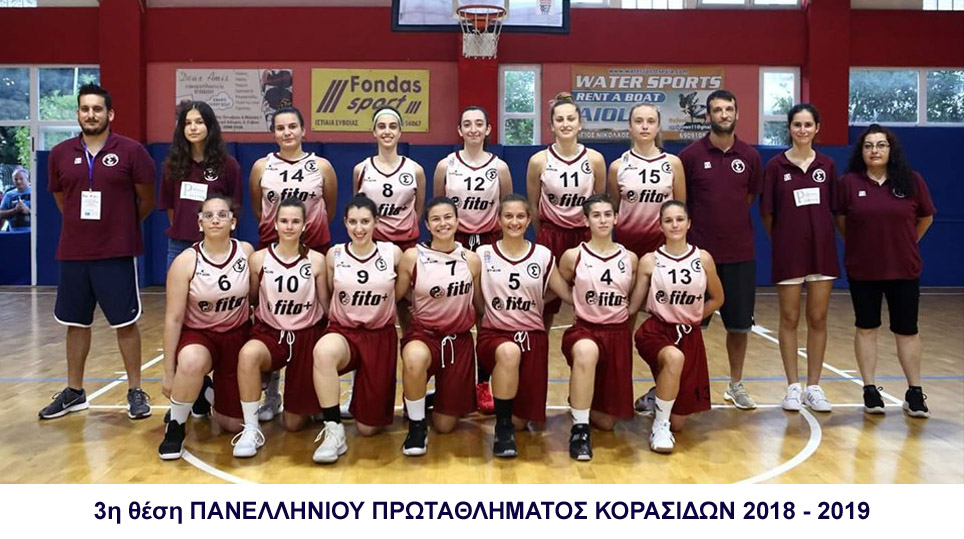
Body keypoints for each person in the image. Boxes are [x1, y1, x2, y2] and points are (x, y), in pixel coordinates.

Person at [40, 83, 155, 420]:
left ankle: (135, 390)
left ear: (110, 114)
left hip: (116, 252)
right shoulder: (61, 153)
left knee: (126, 323)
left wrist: (120, 225)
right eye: (85, 109)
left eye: (97, 109)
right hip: (74, 253)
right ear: (78, 113)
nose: (91, 114)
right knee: (75, 323)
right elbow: (62, 199)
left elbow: (146, 199)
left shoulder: (132, 151)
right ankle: (74, 392)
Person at [836, 124, 935, 418]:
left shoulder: (912, 181)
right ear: (861, 151)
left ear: (891, 149)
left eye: (881, 145)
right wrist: (860, 245)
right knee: (866, 328)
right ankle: (870, 390)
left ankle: (914, 392)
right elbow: (841, 221)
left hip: (903, 268)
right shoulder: (848, 183)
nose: (875, 150)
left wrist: (907, 242)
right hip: (863, 270)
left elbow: (926, 217)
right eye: (868, 146)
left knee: (907, 330)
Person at [249, 106, 337, 421]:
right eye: (280, 128)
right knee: (272, 319)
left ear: (303, 130)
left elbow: (330, 206)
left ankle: (313, 396)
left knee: (315, 322)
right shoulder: (262, 166)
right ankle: (271, 395)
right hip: (274, 247)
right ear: (274, 133)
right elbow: (258, 209)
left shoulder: (321, 166)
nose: (287, 132)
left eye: (292, 127)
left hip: (314, 246)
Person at [678, 89, 762, 410]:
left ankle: (735, 384)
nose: (723, 114)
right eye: (717, 110)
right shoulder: (690, 156)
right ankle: (684, 384)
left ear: (737, 113)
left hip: (740, 255)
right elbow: (684, 202)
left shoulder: (750, 156)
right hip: (698, 257)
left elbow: (748, 198)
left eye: (729, 109)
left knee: (739, 327)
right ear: (707, 115)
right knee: (690, 326)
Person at [475, 194, 571, 458]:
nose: (514, 222)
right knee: (509, 352)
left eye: (520, 216)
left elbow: (565, 293)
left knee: (523, 422)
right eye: (508, 216)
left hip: (532, 338)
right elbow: (477, 301)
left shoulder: (542, 255)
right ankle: (502, 428)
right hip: (496, 336)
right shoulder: (482, 255)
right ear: (498, 220)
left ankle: (510, 420)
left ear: (529, 220)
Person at [232, 198, 329, 458]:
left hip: (306, 336)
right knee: (248, 355)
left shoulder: (317, 260)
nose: (289, 226)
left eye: (295, 221)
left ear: (305, 226)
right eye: (284, 221)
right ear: (274, 224)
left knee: (294, 424)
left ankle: (309, 403)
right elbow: (253, 299)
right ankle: (251, 428)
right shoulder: (258, 259)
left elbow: (326, 307)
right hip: (270, 333)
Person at [158, 196, 254, 459]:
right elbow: (173, 319)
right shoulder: (186, 261)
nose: (215, 220)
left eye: (222, 215)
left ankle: (203, 391)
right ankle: (175, 426)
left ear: (233, 222)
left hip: (237, 336)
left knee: (232, 425)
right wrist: (169, 372)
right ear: (199, 223)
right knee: (191, 360)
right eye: (208, 215)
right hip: (200, 336)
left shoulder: (246, 252)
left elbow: (255, 300)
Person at [310, 195, 403, 464]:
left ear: (376, 222)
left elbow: (400, 293)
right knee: (323, 352)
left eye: (365, 222)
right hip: (345, 332)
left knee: (368, 429)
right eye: (353, 222)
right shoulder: (334, 255)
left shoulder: (392, 253)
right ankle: (333, 429)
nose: (359, 228)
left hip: (380, 335)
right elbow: (329, 294)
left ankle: (360, 399)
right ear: (344, 223)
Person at [433, 105, 513, 416]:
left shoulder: (500, 168)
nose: (473, 129)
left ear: (488, 129)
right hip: (456, 242)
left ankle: (483, 383)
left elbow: (507, 210)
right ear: (459, 130)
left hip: (490, 242)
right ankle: (447, 381)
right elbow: (438, 208)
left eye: (479, 123)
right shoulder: (445, 165)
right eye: (467, 124)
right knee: (450, 310)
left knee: (486, 314)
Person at [627, 200, 724, 453]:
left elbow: (718, 298)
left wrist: (694, 317)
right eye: (668, 220)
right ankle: (660, 427)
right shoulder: (650, 261)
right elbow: (634, 305)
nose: (674, 225)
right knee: (673, 357)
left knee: (679, 423)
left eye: (680, 219)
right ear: (660, 226)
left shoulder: (703, 259)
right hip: (656, 332)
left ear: (689, 223)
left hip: (689, 335)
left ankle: (657, 395)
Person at [760, 103, 838, 413]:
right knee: (789, 318)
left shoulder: (827, 166)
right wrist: (785, 240)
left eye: (808, 125)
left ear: (817, 128)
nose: (802, 130)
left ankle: (813, 387)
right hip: (788, 253)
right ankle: (793, 387)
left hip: (822, 253)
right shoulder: (775, 167)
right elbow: (768, 215)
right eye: (797, 125)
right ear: (789, 128)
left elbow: (835, 210)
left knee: (818, 318)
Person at [395, 197, 481, 456]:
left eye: (447, 217)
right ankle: (417, 426)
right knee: (414, 357)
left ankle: (427, 397)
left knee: (445, 426)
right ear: (427, 225)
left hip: (458, 340)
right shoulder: (413, 257)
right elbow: (396, 296)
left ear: (457, 221)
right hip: (424, 335)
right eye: (435, 219)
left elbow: (478, 303)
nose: (442, 223)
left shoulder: (471, 259)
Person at [557, 194, 637, 461]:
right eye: (596, 215)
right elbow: (557, 287)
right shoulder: (573, 256)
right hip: (585, 330)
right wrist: (575, 300)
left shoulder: (630, 258)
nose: (602, 220)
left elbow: (633, 299)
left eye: (607, 214)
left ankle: (579, 399)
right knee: (586, 352)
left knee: (606, 422)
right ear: (586, 220)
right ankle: (579, 431)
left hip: (616, 334)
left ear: (616, 218)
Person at [526, 92, 607, 329]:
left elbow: (599, 204)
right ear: (551, 125)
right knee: (545, 303)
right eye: (559, 120)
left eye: (571, 119)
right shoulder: (539, 161)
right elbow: (533, 207)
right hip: (551, 234)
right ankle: (538, 349)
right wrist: (544, 234)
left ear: (580, 123)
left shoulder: (595, 159)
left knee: (590, 298)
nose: (565, 124)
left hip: (585, 236)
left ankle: (587, 346)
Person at [158, 101, 243, 270]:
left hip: (216, 243)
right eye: (187, 123)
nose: (193, 128)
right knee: (178, 287)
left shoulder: (228, 165)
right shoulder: (172, 165)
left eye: (199, 122)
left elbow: (235, 206)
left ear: (210, 126)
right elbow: (171, 207)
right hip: (179, 244)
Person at [608, 103, 686, 258]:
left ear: (658, 127)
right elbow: (614, 210)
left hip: (663, 244)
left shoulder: (673, 163)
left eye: (651, 121)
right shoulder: (617, 166)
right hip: (627, 243)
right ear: (630, 127)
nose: (645, 126)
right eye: (638, 121)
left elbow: (680, 207)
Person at [354, 106, 426, 253]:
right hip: (373, 243)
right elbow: (359, 209)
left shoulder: (415, 170)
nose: (387, 131)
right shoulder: (361, 169)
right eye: (381, 127)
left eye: (393, 127)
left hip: (407, 243)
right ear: (374, 132)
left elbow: (418, 210)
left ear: (400, 132)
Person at [0, 165, 31, 232]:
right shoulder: (9, 195)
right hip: (14, 234)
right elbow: (1, 214)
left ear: (27, 179)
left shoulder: (35, 193)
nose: (18, 181)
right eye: (15, 179)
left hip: (33, 234)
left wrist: (29, 211)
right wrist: (15, 210)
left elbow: (45, 213)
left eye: (21, 179)